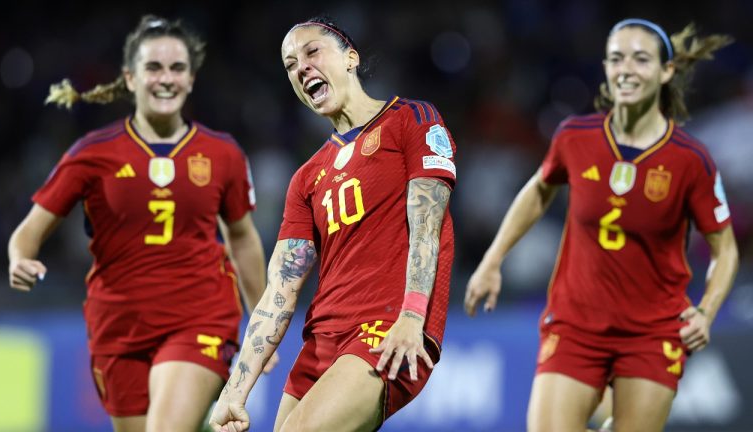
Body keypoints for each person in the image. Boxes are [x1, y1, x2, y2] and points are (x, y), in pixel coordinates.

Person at [464, 18, 739, 432]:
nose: (625, 68)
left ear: (666, 72)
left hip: (652, 332)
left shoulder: (690, 159)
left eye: (640, 59)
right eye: (616, 58)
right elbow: (539, 189)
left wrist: (706, 312)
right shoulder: (575, 137)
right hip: (575, 324)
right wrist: (493, 259)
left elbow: (726, 249)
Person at [8, 15, 277, 432]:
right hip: (118, 329)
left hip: (200, 318)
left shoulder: (222, 154)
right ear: (131, 78)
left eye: (177, 68)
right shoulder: (92, 154)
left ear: (190, 79)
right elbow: (28, 232)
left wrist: (264, 324)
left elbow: (241, 238)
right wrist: (19, 259)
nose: (165, 78)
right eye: (154, 67)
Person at [209, 15, 457, 432]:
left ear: (350, 58)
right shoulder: (307, 177)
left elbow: (426, 229)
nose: (301, 68)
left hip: (387, 328)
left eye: (312, 52)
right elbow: (280, 292)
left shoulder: (412, 119)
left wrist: (413, 318)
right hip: (321, 344)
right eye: (290, 64)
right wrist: (233, 393)